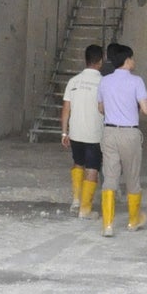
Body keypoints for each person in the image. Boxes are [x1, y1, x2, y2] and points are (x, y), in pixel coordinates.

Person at [96, 42, 147, 235]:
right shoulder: (137, 81)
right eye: (132, 58)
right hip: (130, 133)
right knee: (132, 177)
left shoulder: (105, 81)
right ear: (126, 61)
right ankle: (133, 221)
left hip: (109, 133)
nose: (134, 61)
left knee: (110, 177)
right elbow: (145, 109)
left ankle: (108, 225)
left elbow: (100, 108)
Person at [61, 44, 105, 217]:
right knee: (92, 169)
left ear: (85, 60)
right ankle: (85, 209)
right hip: (94, 134)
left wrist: (65, 132)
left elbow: (65, 109)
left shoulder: (73, 81)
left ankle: (76, 201)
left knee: (78, 163)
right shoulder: (103, 83)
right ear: (101, 61)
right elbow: (105, 108)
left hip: (75, 133)